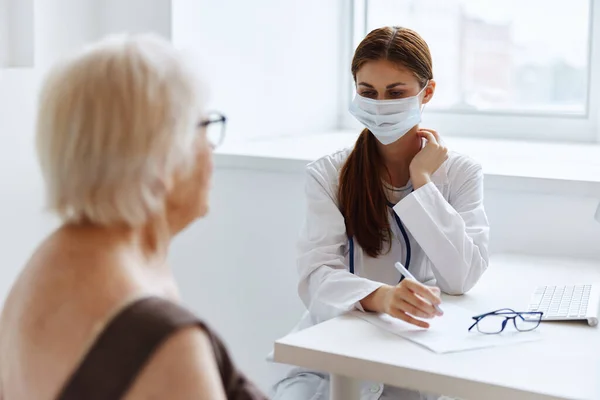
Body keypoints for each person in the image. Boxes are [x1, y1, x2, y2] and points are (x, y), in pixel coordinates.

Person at [0, 34, 267, 400]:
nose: (211, 149)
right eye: (205, 127)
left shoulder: (47, 261)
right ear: (162, 160)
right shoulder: (164, 343)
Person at [270, 26, 490, 400]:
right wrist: (382, 297)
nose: (380, 104)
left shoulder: (460, 174)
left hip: (412, 361)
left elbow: (462, 276)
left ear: (427, 92)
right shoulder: (328, 174)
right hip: (328, 359)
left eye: (396, 92)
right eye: (367, 92)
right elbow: (316, 276)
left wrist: (422, 181)